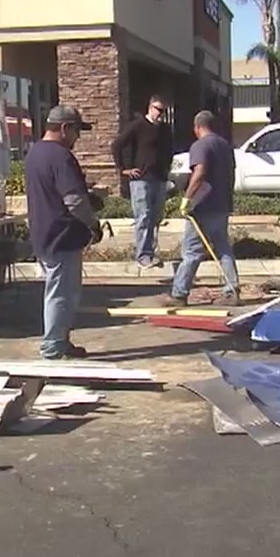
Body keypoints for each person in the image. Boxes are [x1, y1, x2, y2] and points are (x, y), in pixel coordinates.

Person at [24, 105, 100, 360]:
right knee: (62, 294)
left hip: (44, 232)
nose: (77, 138)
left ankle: (61, 341)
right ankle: (53, 347)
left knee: (60, 291)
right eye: (76, 131)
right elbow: (74, 201)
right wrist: (93, 223)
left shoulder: (35, 153)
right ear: (65, 128)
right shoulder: (60, 156)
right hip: (62, 235)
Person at [165, 110, 239, 307]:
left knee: (191, 252)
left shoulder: (200, 145)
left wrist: (187, 199)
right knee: (223, 249)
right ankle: (231, 290)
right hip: (222, 205)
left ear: (197, 127)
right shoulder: (225, 145)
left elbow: (199, 172)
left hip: (203, 206)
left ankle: (179, 294)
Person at [111, 95, 173, 268]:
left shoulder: (165, 129)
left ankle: (150, 252)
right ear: (150, 107)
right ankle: (142, 255)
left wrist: (167, 168)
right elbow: (117, 145)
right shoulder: (138, 126)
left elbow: (169, 150)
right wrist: (123, 169)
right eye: (158, 110)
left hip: (159, 178)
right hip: (141, 180)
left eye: (164, 111)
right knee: (143, 216)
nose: (160, 114)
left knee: (156, 217)